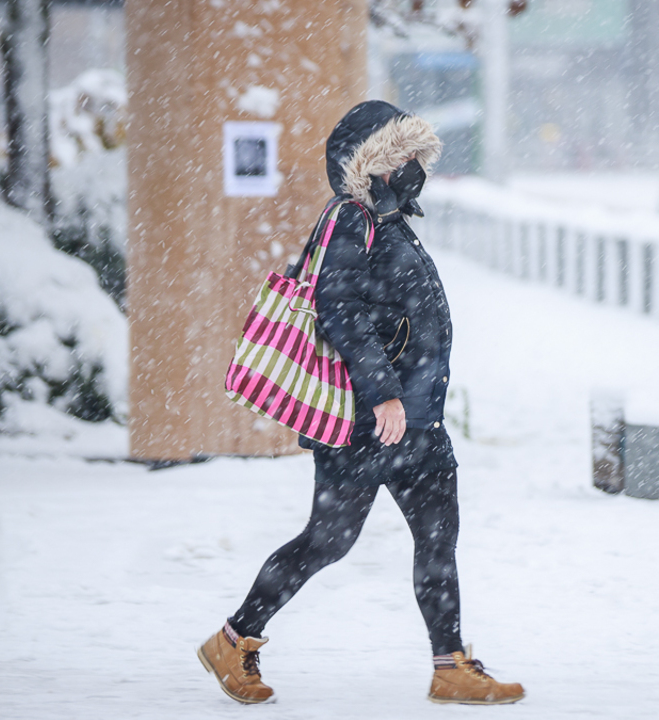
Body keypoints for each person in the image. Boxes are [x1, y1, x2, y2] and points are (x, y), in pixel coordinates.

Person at [197, 100, 524, 707]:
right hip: (368, 420)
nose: (411, 165)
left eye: (413, 154)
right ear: (369, 161)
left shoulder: (390, 220)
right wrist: (385, 396)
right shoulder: (352, 217)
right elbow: (338, 310)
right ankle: (234, 638)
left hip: (416, 419)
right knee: (328, 540)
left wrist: (410, 402)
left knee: (437, 538)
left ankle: (450, 665)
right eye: (398, 154)